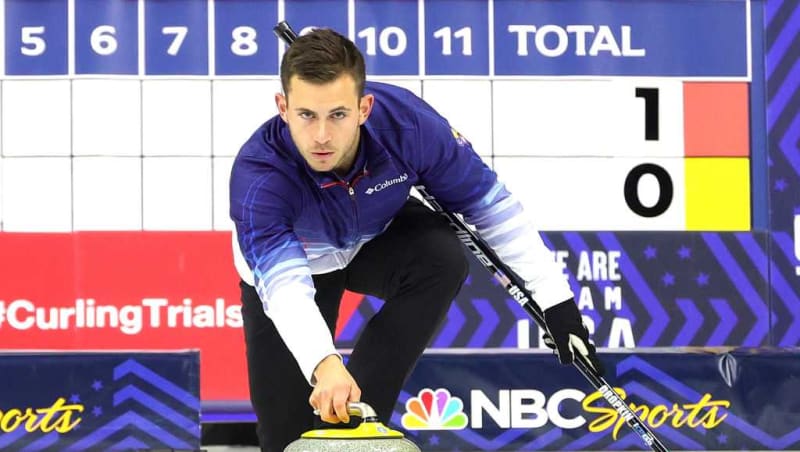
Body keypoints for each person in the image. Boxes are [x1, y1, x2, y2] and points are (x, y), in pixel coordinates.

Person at [229, 28, 603, 452]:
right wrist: (325, 364)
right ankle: (328, 405)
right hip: (299, 265)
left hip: (375, 235)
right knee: (287, 438)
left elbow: (493, 209)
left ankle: (362, 417)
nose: (321, 136)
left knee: (442, 257)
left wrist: (556, 301)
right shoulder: (259, 177)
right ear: (283, 107)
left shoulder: (410, 128)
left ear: (364, 107)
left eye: (337, 115)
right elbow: (285, 290)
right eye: (306, 115)